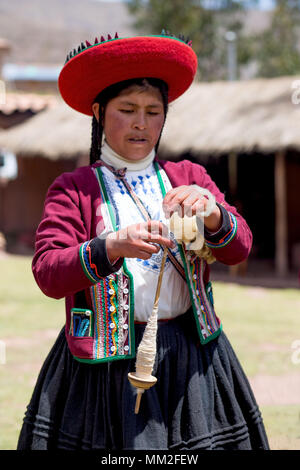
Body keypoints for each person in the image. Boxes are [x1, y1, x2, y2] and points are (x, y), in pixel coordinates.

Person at [17, 32, 269, 450]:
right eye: (127, 109)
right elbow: (48, 272)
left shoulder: (190, 178)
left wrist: (213, 213)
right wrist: (110, 246)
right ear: (99, 112)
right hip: (102, 368)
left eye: (154, 112)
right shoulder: (75, 189)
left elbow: (239, 246)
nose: (141, 122)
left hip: (192, 359)